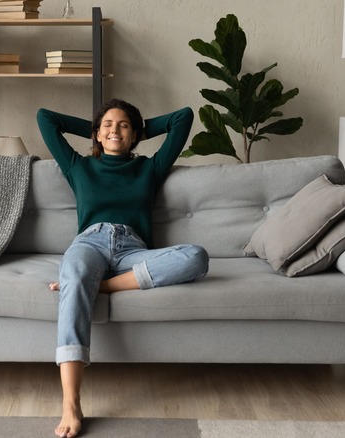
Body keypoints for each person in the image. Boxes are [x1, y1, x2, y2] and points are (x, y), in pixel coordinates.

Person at [36, 99, 209, 438]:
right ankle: (71, 402)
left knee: (196, 256)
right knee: (74, 273)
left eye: (124, 126)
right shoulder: (78, 166)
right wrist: (99, 123)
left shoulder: (150, 167)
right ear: (97, 135)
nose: (115, 129)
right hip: (90, 243)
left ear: (135, 137)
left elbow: (183, 117)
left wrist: (139, 126)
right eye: (107, 126)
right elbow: (46, 117)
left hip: (134, 249)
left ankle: (99, 286)